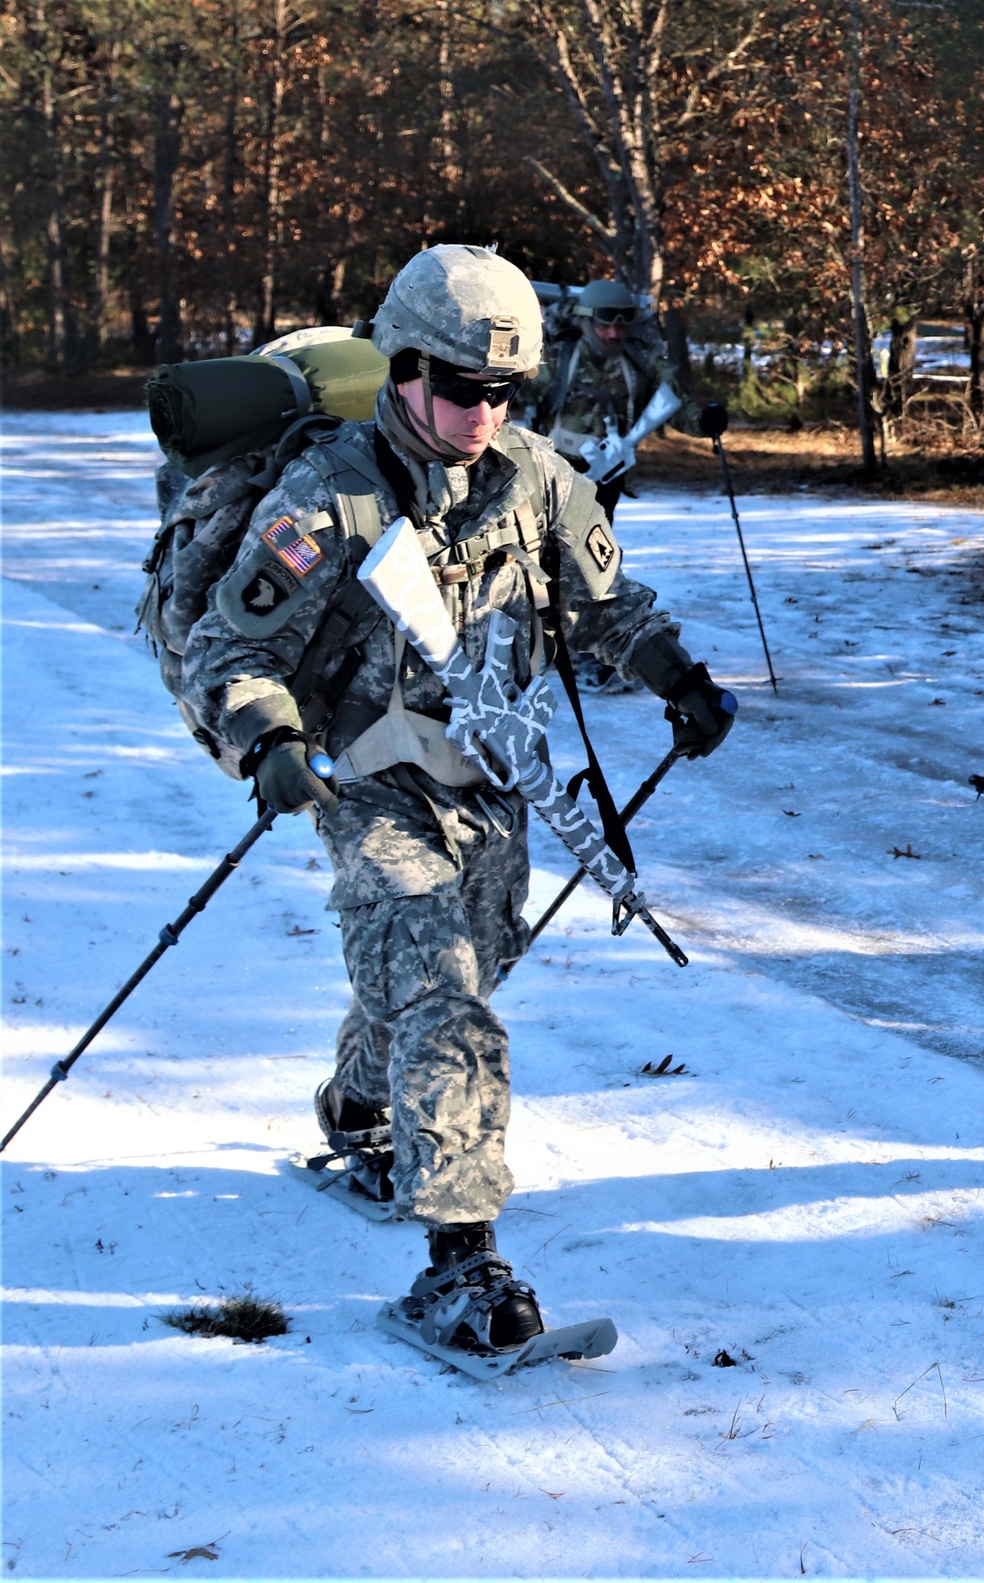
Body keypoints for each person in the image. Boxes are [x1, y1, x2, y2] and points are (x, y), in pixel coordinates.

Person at [181, 244, 734, 1359]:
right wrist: (269, 740)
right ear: (402, 368)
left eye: (505, 389)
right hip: (367, 778)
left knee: (462, 967)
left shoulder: (537, 475)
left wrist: (676, 674)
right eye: (461, 386)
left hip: (490, 773)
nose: (484, 411)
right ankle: (462, 1261)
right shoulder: (330, 493)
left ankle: (358, 1105)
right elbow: (229, 649)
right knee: (445, 996)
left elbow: (603, 603)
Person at [524, 279, 705, 691]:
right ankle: (541, 643)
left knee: (592, 565)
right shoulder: (558, 359)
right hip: (551, 475)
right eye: (604, 325)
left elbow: (674, 401)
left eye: (620, 326)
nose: (612, 334)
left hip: (604, 480)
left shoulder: (637, 362)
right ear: (584, 321)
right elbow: (513, 390)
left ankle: (587, 653)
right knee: (542, 560)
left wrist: (703, 421)